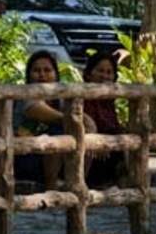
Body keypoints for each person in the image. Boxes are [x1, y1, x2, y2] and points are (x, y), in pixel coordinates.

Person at [14, 51, 96, 189]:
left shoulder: (61, 98)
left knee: (80, 133)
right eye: (36, 70)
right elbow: (37, 109)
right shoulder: (26, 95)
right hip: (26, 157)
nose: (42, 75)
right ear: (29, 75)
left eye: (47, 70)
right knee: (58, 130)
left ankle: (78, 182)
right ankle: (51, 186)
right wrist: (71, 120)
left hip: (57, 161)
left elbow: (79, 116)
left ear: (55, 74)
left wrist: (88, 124)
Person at [82, 52, 126, 188]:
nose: (104, 76)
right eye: (100, 71)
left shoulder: (109, 99)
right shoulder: (82, 96)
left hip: (107, 149)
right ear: (89, 74)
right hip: (91, 150)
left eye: (109, 72)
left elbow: (112, 126)